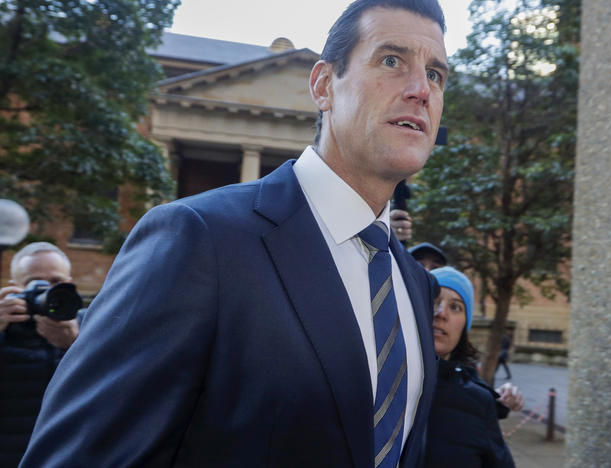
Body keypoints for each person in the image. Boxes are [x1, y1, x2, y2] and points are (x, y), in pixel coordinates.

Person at [20, 1, 448, 467]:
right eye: (391, 60)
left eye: (436, 74)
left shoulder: (416, 283)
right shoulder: (196, 239)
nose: (420, 89)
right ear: (324, 84)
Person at [424, 266, 522, 468]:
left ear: (465, 325)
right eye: (434, 301)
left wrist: (494, 402)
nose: (441, 313)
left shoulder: (477, 402)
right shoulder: (379, 382)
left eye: (455, 307)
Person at [0, 242, 81, 466]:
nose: (46, 291)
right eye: (33, 283)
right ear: (14, 288)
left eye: (56, 282)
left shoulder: (92, 328)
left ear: (70, 284)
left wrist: (76, 344)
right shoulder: (5, 329)